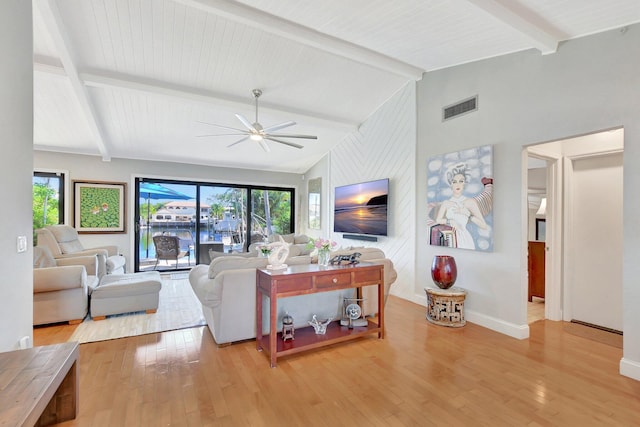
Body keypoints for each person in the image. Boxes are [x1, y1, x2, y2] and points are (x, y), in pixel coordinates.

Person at [435, 163, 488, 249]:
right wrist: (450, 221)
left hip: (464, 239)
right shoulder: (446, 203)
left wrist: (468, 214)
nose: (458, 184)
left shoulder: (469, 202)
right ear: (451, 184)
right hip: (449, 238)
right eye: (454, 182)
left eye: (461, 181)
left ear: (465, 183)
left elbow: (483, 225)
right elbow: (438, 220)